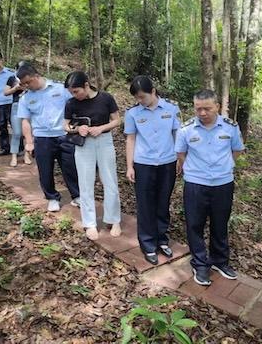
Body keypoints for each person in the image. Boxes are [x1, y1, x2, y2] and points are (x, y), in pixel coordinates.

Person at [175, 89, 245, 286]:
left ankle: (219, 261)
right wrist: (196, 170)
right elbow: (181, 154)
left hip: (223, 183)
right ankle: (199, 263)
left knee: (220, 224)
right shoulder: (186, 129)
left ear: (217, 107)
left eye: (207, 108)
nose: (202, 113)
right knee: (194, 225)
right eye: (198, 109)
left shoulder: (230, 127)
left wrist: (223, 167)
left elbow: (237, 150)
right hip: (195, 184)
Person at [124, 75, 181, 265]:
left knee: (163, 202)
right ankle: (148, 243)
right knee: (145, 204)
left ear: (153, 92)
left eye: (142, 96)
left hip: (167, 162)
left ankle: (162, 239)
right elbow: (130, 139)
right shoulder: (133, 113)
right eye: (137, 98)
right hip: (144, 163)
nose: (139, 100)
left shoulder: (171, 109)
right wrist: (129, 166)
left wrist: (180, 159)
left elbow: (177, 134)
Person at [63, 71, 122, 241]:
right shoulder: (71, 103)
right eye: (71, 92)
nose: (75, 95)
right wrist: (77, 129)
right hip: (84, 143)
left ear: (86, 85)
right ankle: (89, 223)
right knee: (85, 182)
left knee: (110, 180)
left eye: (76, 91)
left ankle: (114, 219)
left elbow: (117, 120)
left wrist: (101, 128)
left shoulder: (106, 98)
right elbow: (65, 125)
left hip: (104, 141)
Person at [16, 64, 80, 211]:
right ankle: (52, 197)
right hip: (42, 138)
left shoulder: (60, 89)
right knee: (45, 170)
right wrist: (29, 142)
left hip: (64, 135)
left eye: (28, 82)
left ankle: (77, 195)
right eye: (23, 84)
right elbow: (25, 121)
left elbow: (76, 104)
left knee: (71, 167)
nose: (26, 86)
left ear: (37, 76)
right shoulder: (25, 98)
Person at [4, 61, 33, 167]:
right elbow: (6, 92)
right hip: (16, 105)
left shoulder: (31, 79)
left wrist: (27, 87)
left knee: (28, 133)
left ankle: (27, 155)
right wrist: (15, 88)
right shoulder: (12, 79)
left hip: (29, 106)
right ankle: (14, 156)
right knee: (16, 133)